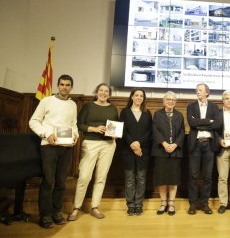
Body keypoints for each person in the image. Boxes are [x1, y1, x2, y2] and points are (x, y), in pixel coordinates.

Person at [29, 74, 79, 228]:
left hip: (66, 147)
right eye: (62, 84)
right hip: (49, 145)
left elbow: (73, 124)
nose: (65, 87)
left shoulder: (73, 104)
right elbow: (33, 121)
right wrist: (46, 134)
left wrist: (76, 134)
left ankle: (56, 212)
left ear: (71, 87)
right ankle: (45, 215)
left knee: (61, 182)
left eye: (68, 85)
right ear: (57, 86)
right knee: (48, 181)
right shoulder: (47, 101)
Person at [68, 83, 119, 221]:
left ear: (109, 94)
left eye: (106, 91)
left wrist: (115, 133)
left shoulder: (113, 108)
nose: (103, 93)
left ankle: (95, 207)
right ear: (96, 93)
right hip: (90, 143)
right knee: (84, 177)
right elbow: (79, 124)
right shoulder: (88, 106)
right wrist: (94, 129)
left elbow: (116, 126)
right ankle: (76, 208)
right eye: (101, 90)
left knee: (101, 178)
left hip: (108, 145)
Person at [187, 83, 220, 215]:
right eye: (196, 90)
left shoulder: (214, 107)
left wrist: (200, 123)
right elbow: (191, 123)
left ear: (207, 92)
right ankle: (193, 204)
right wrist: (208, 121)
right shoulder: (191, 106)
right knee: (193, 176)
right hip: (195, 144)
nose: (197, 92)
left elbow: (217, 124)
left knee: (208, 176)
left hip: (209, 145)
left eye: (200, 90)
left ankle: (205, 203)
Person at [119, 89, 153, 216]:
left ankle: (139, 204)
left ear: (143, 99)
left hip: (143, 150)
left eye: (141, 96)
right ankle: (130, 205)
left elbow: (150, 132)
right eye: (136, 95)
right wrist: (132, 144)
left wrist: (139, 144)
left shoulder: (147, 113)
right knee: (129, 179)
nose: (139, 97)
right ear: (132, 97)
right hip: (127, 150)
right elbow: (122, 130)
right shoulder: (125, 112)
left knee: (141, 178)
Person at [152, 91, 185, 216]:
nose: (171, 101)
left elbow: (182, 132)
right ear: (164, 101)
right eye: (168, 99)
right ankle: (163, 203)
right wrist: (165, 144)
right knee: (162, 179)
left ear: (175, 102)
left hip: (175, 151)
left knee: (173, 178)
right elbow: (155, 131)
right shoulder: (157, 114)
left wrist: (175, 145)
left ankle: (171, 203)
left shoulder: (179, 115)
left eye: (173, 100)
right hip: (161, 150)